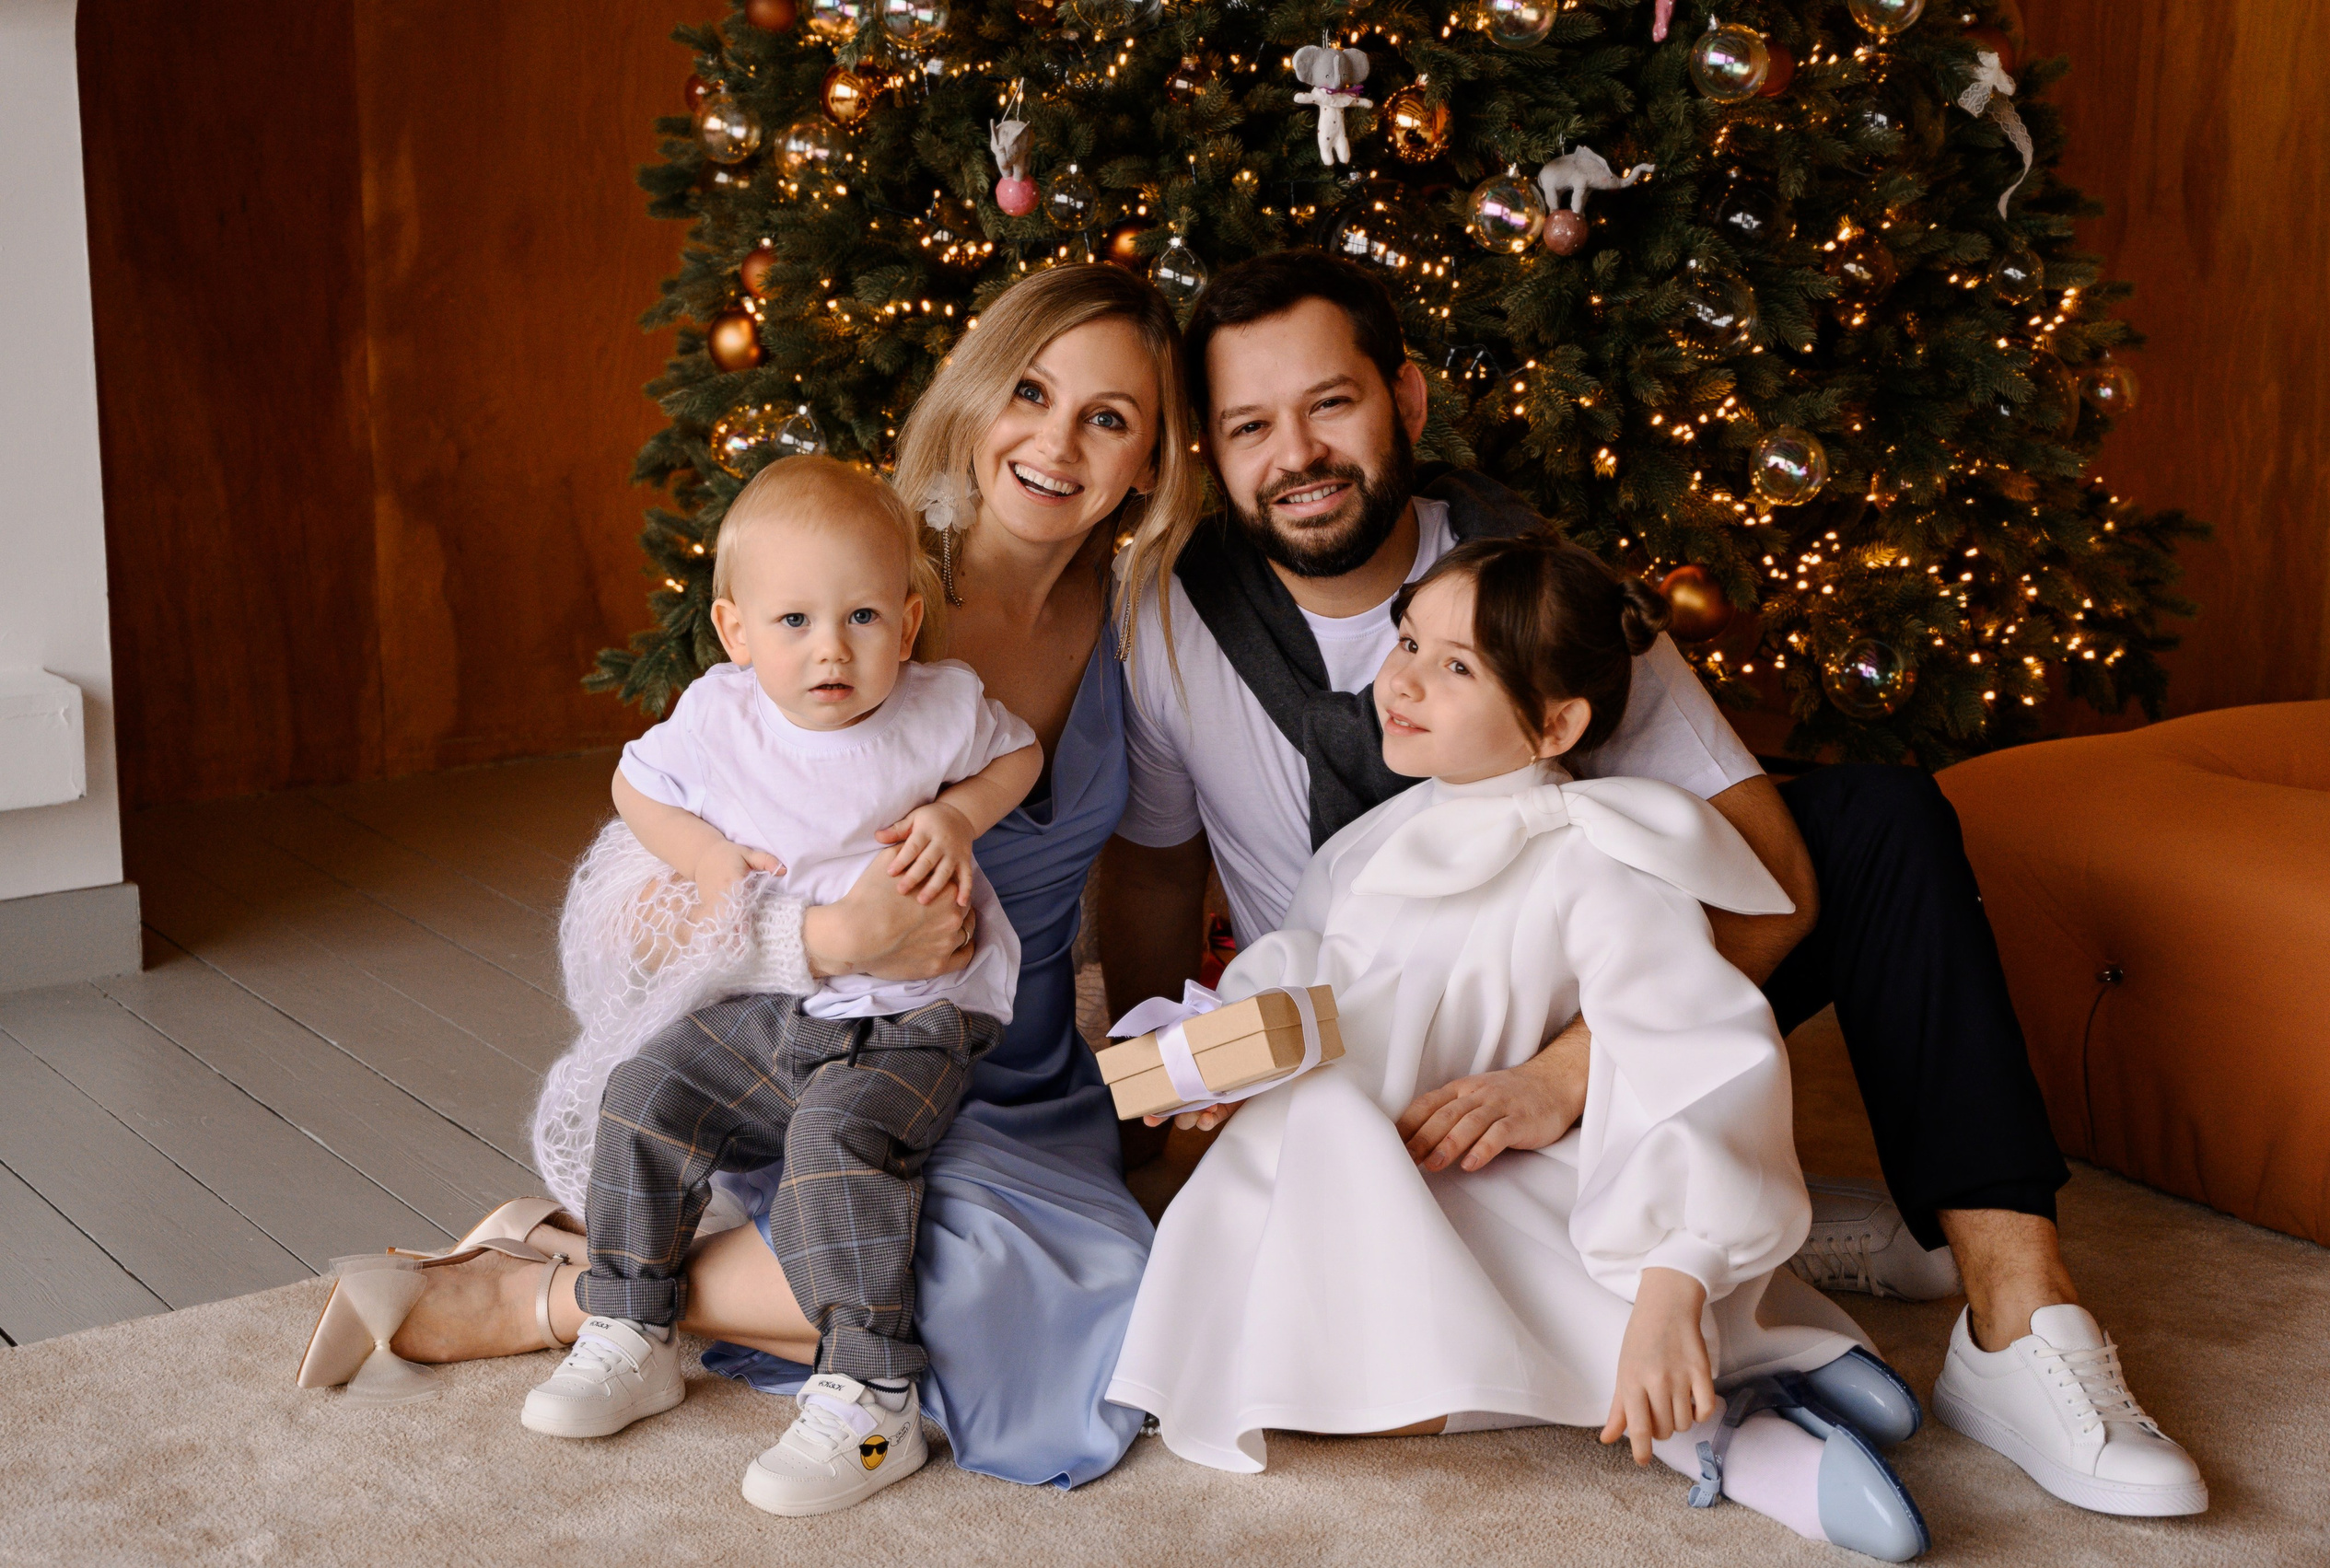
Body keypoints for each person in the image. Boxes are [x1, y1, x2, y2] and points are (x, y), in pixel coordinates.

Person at [1099, 250, 2207, 1518]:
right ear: (1211, 449)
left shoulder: (1523, 582)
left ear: (1404, 397)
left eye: (1329, 403)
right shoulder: (1165, 614)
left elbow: (1777, 874)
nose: (1295, 453)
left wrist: (1570, 1068)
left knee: (1878, 818)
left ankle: (2020, 1313)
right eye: (1248, 424)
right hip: (1372, 1041)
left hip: (1578, 1008)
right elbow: (1151, 870)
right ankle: (1765, 1271)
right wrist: (1163, 1108)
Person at [342, 261, 1201, 1496]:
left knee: (1132, 1288)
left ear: (1151, 460)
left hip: (1018, 1078)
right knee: (965, 1263)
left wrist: (1148, 1089)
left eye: (1109, 418)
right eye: (1031, 389)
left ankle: (595, 1285)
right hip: (811, 1064)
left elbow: (1157, 870)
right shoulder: (839, 587)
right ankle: (557, 1300)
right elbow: (624, 915)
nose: (1056, 441)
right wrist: (829, 936)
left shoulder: (1139, 621)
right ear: (975, 395)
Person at [1111, 531, 1930, 1561]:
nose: (1401, 681)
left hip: (1509, 1164)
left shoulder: (1595, 854)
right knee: (1287, 1334)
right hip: (1398, 1158)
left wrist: (1676, 1271)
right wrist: (1223, 1044)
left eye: (1454, 667)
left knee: (1335, 1347)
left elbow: (1692, 1049)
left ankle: (1713, 1415)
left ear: (1556, 722)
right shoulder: (1367, 844)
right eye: (1406, 642)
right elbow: (1306, 968)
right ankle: (1754, 1361)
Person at [512, 456, 1044, 1516]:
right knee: (645, 1088)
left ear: (905, 617)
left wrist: (955, 815)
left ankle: (870, 1390)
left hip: (915, 1021)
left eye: (858, 616)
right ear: (736, 628)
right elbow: (634, 782)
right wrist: (706, 856)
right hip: (768, 1012)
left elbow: (1017, 756)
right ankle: (630, 1320)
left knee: (834, 1147)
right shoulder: (719, 718)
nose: (830, 648)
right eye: (793, 620)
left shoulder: (940, 707)